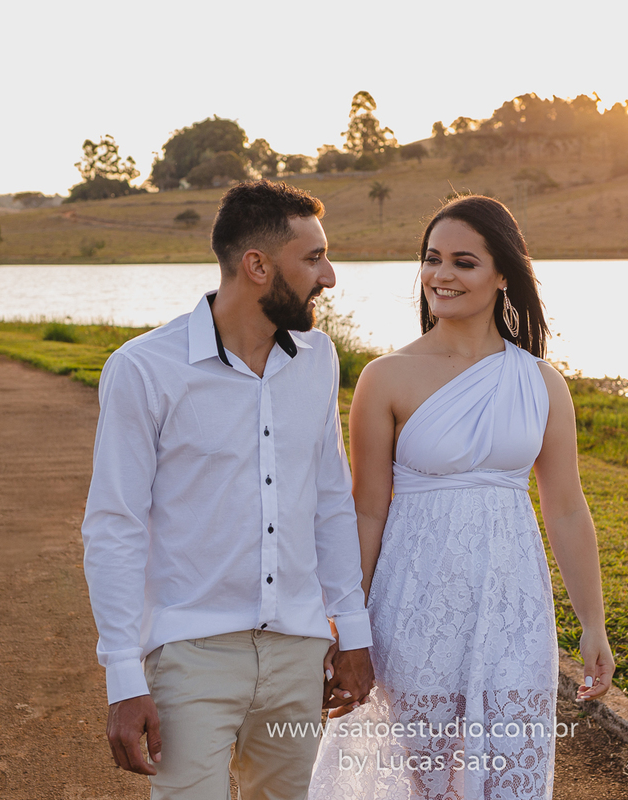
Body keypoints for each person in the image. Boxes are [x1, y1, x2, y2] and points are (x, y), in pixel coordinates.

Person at [309, 195, 614, 800]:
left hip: (513, 608)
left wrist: (593, 623)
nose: (441, 275)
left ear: (503, 275)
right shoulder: (385, 376)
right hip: (415, 601)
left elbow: (566, 506)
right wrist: (346, 623)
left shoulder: (542, 382)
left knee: (504, 766)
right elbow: (366, 509)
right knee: (416, 770)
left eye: (464, 262)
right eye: (431, 259)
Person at [81, 180, 374, 800]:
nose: (330, 276)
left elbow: (329, 501)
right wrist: (122, 678)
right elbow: (115, 526)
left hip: (299, 651)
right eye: (314, 257)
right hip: (190, 652)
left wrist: (353, 631)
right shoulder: (143, 370)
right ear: (258, 265)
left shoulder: (318, 360)